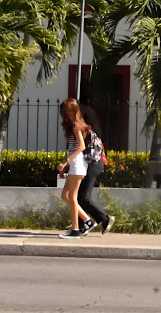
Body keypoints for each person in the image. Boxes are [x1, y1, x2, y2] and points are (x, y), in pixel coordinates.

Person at [56, 98, 93, 238]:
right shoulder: (76, 124)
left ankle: (76, 229)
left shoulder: (76, 126)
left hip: (77, 164)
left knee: (72, 197)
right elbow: (73, 148)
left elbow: (81, 147)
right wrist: (65, 167)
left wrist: (65, 162)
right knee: (65, 196)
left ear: (69, 111)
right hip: (75, 164)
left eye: (64, 112)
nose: (63, 115)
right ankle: (87, 221)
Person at [76, 102, 114, 235]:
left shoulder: (85, 130)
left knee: (83, 197)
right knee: (80, 196)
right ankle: (83, 226)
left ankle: (104, 218)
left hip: (93, 164)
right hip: (96, 164)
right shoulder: (92, 130)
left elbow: (80, 149)